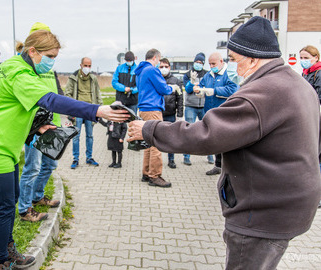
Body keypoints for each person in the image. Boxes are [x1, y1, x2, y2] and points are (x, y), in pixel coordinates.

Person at [128, 16, 321, 270]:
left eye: (235, 60)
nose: (235, 68)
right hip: (290, 204)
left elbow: (206, 135)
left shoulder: (261, 93)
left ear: (253, 58)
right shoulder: (298, 85)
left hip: (263, 213)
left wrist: (150, 129)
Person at [0, 30, 130, 269]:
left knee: (12, 202)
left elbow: (9, 106)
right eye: (50, 55)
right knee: (3, 209)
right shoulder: (20, 73)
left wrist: (38, 127)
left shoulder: (12, 66)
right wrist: (96, 111)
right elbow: (50, 100)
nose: (52, 61)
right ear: (32, 51)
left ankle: (9, 253)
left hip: (3, 146)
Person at [17, 22, 62, 222]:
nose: (51, 59)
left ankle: (37, 196)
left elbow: (57, 93)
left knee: (50, 165)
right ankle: (25, 208)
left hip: (52, 124)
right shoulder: (25, 68)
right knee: (32, 167)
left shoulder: (48, 68)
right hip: (35, 126)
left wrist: (65, 117)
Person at [189, 52, 238, 175]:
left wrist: (214, 90)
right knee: (216, 140)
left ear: (221, 61)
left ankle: (228, 168)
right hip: (210, 113)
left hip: (224, 113)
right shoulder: (208, 75)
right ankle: (218, 165)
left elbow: (233, 90)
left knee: (226, 142)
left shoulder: (229, 74)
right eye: (210, 64)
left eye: (213, 64)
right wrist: (198, 90)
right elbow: (201, 87)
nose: (211, 66)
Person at [134, 48, 173, 188]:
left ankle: (146, 172)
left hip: (143, 109)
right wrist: (172, 88)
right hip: (153, 109)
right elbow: (163, 89)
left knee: (148, 143)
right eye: (159, 60)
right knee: (156, 142)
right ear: (156, 58)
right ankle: (155, 176)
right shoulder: (152, 70)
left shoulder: (139, 71)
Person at [65, 57, 103, 169]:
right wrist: (70, 110)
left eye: (89, 66)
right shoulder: (73, 78)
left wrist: (100, 108)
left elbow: (98, 93)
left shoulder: (93, 78)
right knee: (76, 136)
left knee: (90, 135)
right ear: (81, 65)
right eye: (85, 65)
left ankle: (89, 157)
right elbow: (68, 94)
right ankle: (75, 159)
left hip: (90, 110)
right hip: (78, 110)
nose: (87, 68)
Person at [182, 52, 213, 165]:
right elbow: (188, 89)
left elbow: (209, 87)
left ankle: (210, 155)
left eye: (200, 62)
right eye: (196, 62)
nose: (198, 64)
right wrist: (191, 83)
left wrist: (201, 88)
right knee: (188, 130)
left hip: (204, 106)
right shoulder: (187, 74)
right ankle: (186, 156)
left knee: (207, 130)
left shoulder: (207, 74)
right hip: (191, 106)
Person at [300, 45, 321, 208]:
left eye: (306, 58)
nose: (303, 61)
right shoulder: (305, 74)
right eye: (301, 57)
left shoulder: (318, 74)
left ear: (315, 58)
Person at [159, 58, 183, 169]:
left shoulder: (176, 81)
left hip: (170, 113)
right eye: (161, 66)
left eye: (166, 66)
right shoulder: (156, 79)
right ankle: (156, 160)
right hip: (158, 113)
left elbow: (180, 98)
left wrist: (179, 114)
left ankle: (171, 160)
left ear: (170, 67)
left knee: (171, 138)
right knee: (157, 137)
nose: (164, 69)